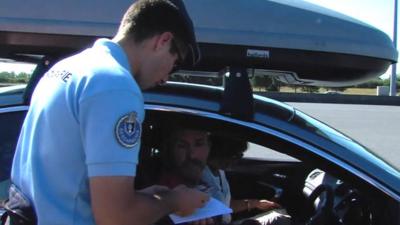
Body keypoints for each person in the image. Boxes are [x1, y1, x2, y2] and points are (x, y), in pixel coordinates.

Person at [7, 1, 209, 225]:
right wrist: (173, 201)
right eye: (174, 62)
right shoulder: (116, 87)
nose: (165, 78)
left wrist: (149, 197)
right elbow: (116, 218)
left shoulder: (67, 68)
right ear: (163, 41)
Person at [202, 135, 291, 225]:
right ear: (224, 153)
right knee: (280, 219)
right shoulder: (202, 176)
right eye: (237, 155)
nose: (237, 160)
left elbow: (226, 205)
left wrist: (256, 203)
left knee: (279, 216)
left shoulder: (220, 171)